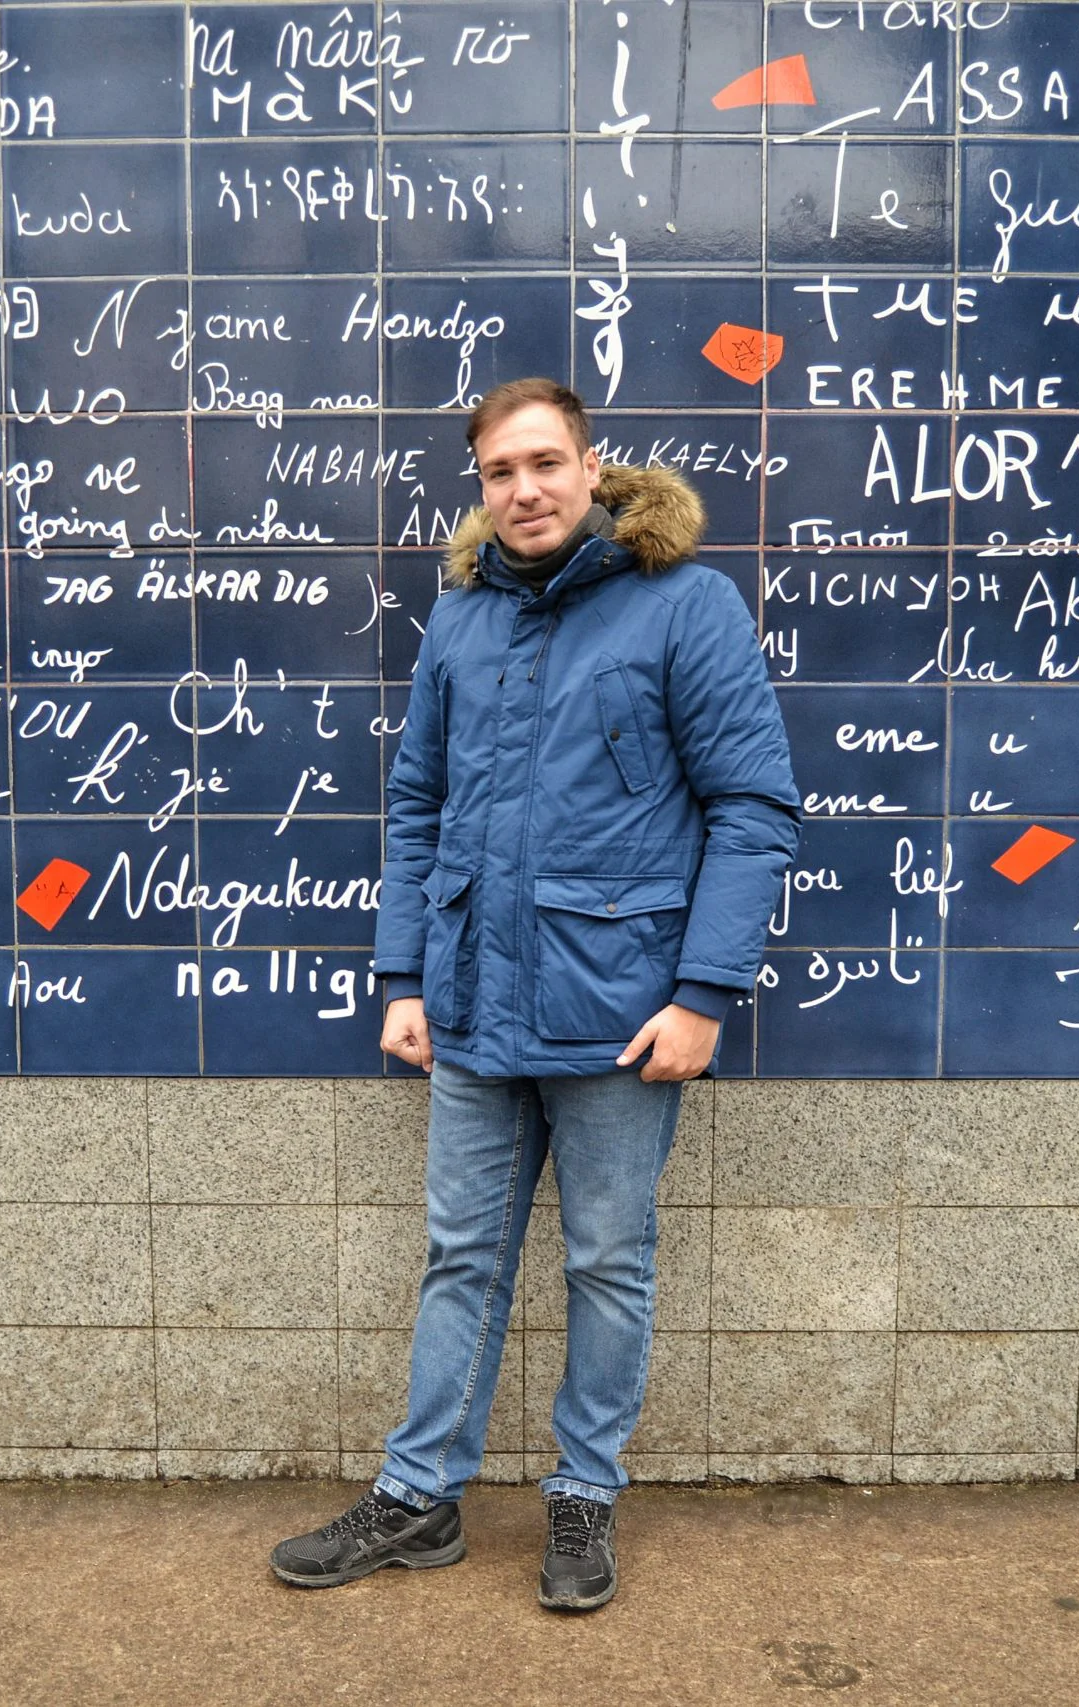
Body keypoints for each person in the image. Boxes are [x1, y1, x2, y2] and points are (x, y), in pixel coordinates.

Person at [269, 378, 799, 1611]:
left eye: (544, 463)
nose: (524, 490)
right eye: (500, 472)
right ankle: (420, 1500)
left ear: (591, 465)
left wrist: (705, 993)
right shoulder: (459, 619)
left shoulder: (685, 604)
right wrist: (403, 974)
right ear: (482, 485)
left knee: (608, 1260)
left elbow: (754, 808)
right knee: (461, 1257)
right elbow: (415, 803)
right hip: (469, 1006)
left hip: (620, 1014)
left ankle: (583, 1500)